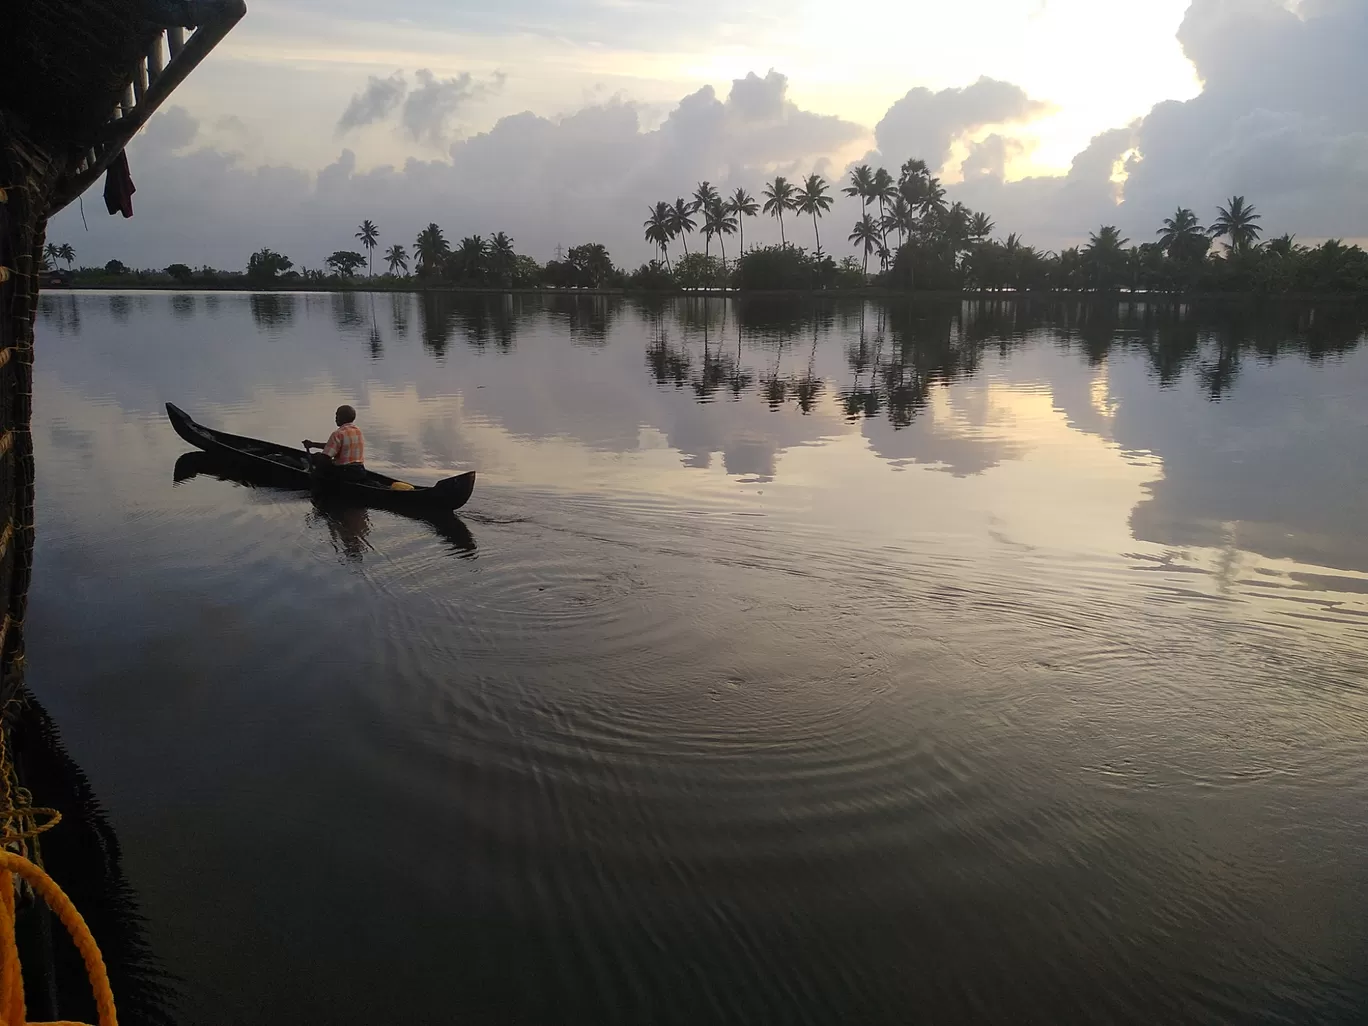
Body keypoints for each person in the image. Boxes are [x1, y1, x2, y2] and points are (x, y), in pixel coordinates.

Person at [304, 405, 366, 481]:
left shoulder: (338, 433)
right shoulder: (358, 431)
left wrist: (315, 473)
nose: (336, 418)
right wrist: (312, 444)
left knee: (318, 457)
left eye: (337, 415)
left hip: (344, 472)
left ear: (343, 417)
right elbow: (334, 446)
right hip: (360, 471)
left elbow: (325, 457)